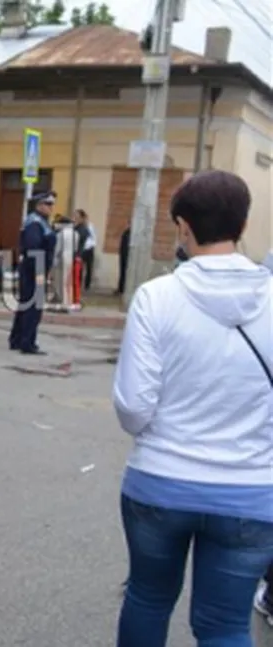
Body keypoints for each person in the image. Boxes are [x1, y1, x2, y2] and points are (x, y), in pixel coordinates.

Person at [111, 170, 273, 647]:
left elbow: (134, 410)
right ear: (242, 225)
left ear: (183, 226)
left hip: (160, 484)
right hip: (252, 491)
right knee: (225, 625)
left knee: (147, 599)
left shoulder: (156, 298)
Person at [8, 191, 56, 355]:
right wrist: (41, 273)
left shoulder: (37, 221)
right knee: (33, 307)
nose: (51, 208)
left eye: (51, 204)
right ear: (39, 205)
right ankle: (27, 343)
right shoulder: (35, 224)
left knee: (25, 304)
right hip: (34, 270)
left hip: (31, 269)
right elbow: (34, 249)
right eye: (48, 204)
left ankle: (16, 339)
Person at [75, 209, 96, 291]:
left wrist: (92, 246)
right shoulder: (77, 227)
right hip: (82, 249)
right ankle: (79, 284)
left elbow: (94, 237)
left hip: (89, 248)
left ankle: (87, 285)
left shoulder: (90, 226)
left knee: (89, 267)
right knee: (80, 268)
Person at [117, 226, 130, 294]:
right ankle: (120, 288)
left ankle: (122, 288)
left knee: (125, 273)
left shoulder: (131, 233)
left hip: (127, 256)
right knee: (122, 272)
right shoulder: (126, 232)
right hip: (123, 255)